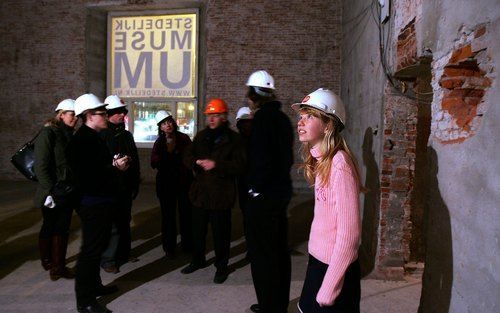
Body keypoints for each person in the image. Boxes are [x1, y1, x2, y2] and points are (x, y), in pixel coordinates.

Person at [293, 88, 362, 313]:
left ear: (328, 125)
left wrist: (330, 286)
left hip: (336, 271)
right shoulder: (322, 162)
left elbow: (349, 234)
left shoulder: (339, 164)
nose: (301, 122)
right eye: (301, 116)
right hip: (320, 263)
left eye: (310, 116)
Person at [67, 93, 129, 313]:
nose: (106, 116)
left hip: (100, 200)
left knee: (97, 246)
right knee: (90, 252)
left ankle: (94, 286)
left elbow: (94, 168)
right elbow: (88, 177)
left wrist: (110, 165)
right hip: (92, 202)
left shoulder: (92, 137)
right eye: (102, 113)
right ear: (89, 116)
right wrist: (115, 168)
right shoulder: (83, 140)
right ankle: (84, 301)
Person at [244, 70, 294, 313]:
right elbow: (286, 159)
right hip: (281, 193)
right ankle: (278, 305)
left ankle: (268, 306)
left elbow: (262, 160)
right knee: (279, 252)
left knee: (262, 255)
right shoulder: (283, 119)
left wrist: (254, 189)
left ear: (254, 95)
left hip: (263, 198)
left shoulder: (263, 120)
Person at [181, 98, 246, 284]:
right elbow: (187, 154)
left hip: (221, 194)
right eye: (209, 115)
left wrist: (216, 165)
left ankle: (221, 266)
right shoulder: (201, 136)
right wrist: (194, 162)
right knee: (198, 231)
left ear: (224, 117)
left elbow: (240, 165)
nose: (211, 119)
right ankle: (197, 260)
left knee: (221, 234)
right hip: (200, 193)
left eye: (215, 116)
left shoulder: (234, 140)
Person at [34, 98, 77, 281]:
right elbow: (41, 166)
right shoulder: (49, 133)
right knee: (51, 225)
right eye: (72, 114)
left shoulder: (68, 133)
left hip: (67, 188)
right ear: (61, 114)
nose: (75, 118)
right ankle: (50, 262)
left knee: (62, 227)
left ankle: (56, 264)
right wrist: (49, 190)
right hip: (53, 189)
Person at [99, 95, 140, 273]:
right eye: (117, 112)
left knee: (124, 221)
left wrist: (135, 183)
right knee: (112, 224)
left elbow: (135, 160)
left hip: (125, 186)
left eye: (122, 112)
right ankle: (108, 259)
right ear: (108, 115)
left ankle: (124, 253)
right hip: (110, 187)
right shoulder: (101, 136)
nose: (121, 115)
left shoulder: (126, 135)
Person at [151, 110, 193, 259]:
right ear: (160, 127)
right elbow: (153, 162)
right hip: (166, 185)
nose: (167, 125)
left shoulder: (183, 138)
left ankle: (187, 244)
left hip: (183, 183)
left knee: (186, 215)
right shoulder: (159, 142)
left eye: (169, 121)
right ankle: (169, 248)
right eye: (163, 123)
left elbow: (191, 157)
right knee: (168, 217)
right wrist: (167, 153)